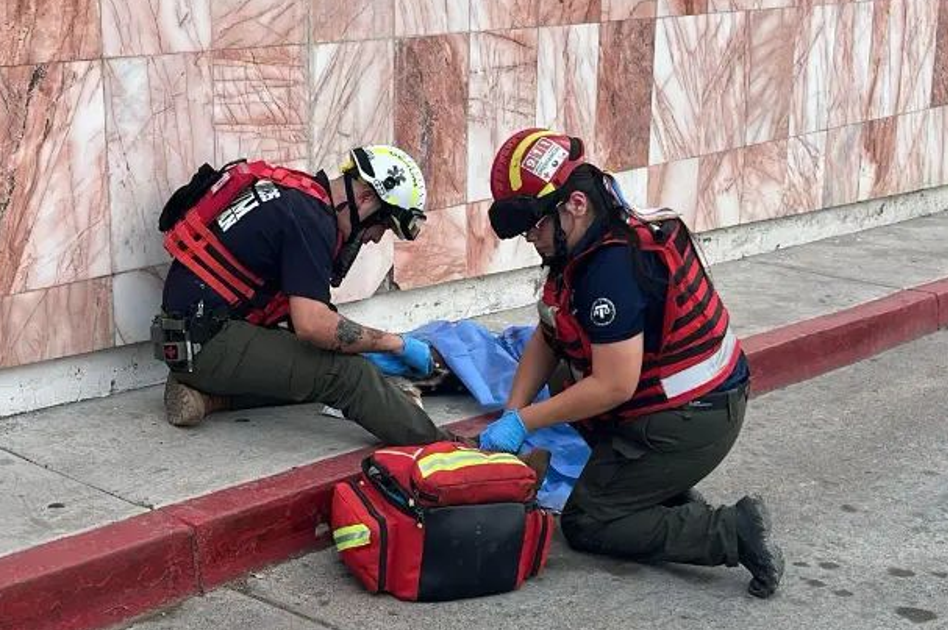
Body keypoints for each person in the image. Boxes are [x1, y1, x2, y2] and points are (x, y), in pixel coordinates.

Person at [477, 129, 784, 598]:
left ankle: (732, 532)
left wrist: (524, 423)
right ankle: (658, 491)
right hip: (683, 403)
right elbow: (551, 332)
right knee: (564, 380)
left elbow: (614, 386)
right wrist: (511, 412)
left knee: (587, 522)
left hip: (696, 415)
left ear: (574, 203)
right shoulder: (589, 234)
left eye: (534, 225)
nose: (530, 238)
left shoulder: (610, 269)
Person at [152, 145, 451, 446]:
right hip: (207, 344)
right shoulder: (311, 220)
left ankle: (208, 397)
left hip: (191, 336)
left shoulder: (297, 196)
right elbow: (313, 326)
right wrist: (394, 344)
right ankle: (438, 443)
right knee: (346, 375)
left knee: (319, 364)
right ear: (365, 198)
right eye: (383, 225)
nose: (375, 238)